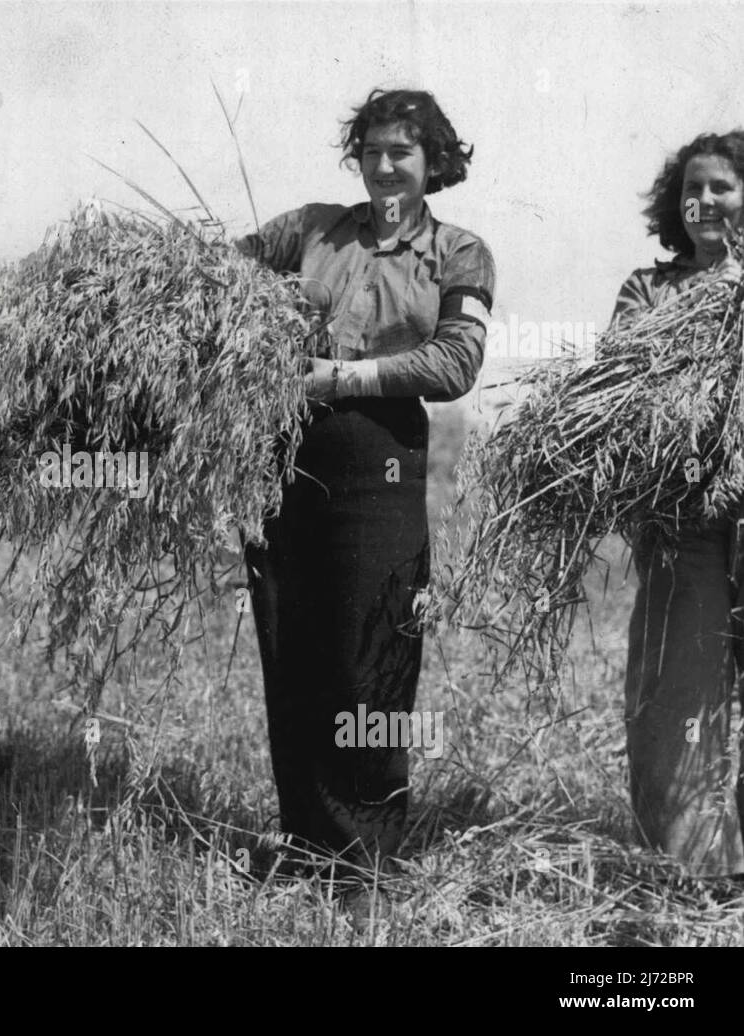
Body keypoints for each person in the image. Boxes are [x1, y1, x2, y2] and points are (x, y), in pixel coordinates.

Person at [236, 89, 495, 917]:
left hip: (379, 457)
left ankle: (369, 860)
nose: (385, 167)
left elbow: (455, 363)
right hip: (284, 452)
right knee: (295, 643)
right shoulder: (308, 230)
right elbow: (213, 283)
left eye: (403, 154)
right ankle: (308, 842)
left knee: (372, 652)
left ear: (434, 165)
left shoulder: (458, 252)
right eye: (372, 151)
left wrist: (342, 377)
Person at [610, 131, 744, 878]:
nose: (702, 202)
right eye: (691, 190)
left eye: (720, 187)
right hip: (683, 520)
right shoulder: (648, 293)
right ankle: (699, 872)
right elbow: (624, 395)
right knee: (677, 695)